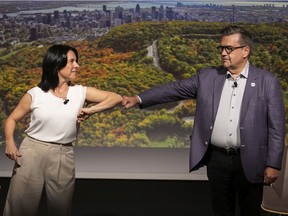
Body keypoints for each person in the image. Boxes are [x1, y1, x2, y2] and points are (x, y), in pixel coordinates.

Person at [122, 25, 286, 216]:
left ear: (245, 51)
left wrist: (273, 164)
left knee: (250, 211)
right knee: (221, 211)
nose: (223, 53)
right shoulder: (207, 77)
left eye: (229, 49)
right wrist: (138, 98)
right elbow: (173, 90)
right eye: (221, 48)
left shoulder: (267, 81)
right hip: (217, 159)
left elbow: (276, 127)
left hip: (250, 160)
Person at [3, 44, 122, 216]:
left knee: (60, 209)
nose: (77, 66)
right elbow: (11, 119)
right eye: (72, 61)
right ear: (57, 64)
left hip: (63, 154)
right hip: (32, 152)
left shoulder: (80, 92)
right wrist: (9, 142)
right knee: (20, 207)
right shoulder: (35, 94)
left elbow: (116, 98)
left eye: (76, 61)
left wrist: (91, 109)